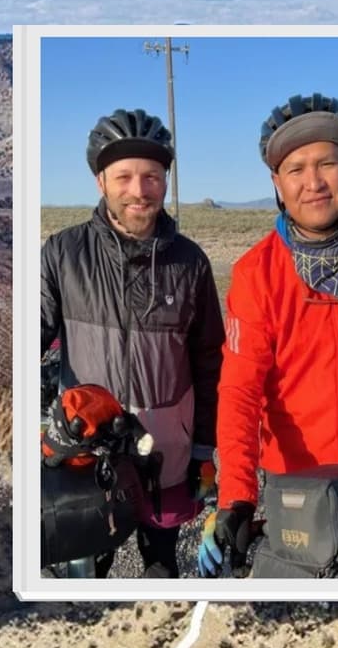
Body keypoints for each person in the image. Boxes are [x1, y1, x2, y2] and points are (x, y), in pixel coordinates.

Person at [198, 92, 338, 576]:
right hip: (297, 490)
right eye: (296, 169)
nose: (313, 183)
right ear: (277, 183)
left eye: (327, 163)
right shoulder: (258, 273)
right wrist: (236, 498)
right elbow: (239, 392)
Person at [41, 108, 225, 578]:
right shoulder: (62, 254)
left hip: (166, 449)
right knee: (83, 570)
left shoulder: (191, 263)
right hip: (88, 445)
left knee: (161, 566)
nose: (139, 190)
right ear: (101, 181)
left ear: (165, 182)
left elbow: (210, 361)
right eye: (124, 177)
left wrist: (204, 447)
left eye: (152, 177)